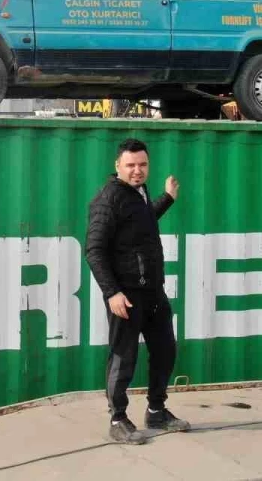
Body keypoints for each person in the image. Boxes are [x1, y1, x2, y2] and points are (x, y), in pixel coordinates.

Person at [85, 137, 190, 444]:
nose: (137, 170)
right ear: (118, 166)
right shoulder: (108, 199)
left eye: (142, 164)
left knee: (165, 351)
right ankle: (118, 419)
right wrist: (112, 293)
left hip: (153, 293)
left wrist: (167, 198)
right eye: (130, 165)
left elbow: (142, 222)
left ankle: (157, 410)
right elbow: (94, 250)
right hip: (126, 296)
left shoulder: (138, 193)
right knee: (123, 357)